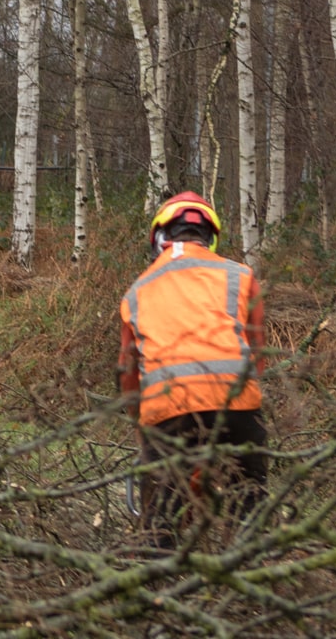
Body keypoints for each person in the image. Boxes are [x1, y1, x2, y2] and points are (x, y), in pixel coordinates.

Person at [118, 191, 268, 548]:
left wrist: (142, 425)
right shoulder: (242, 276)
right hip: (239, 405)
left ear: (159, 237)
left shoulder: (136, 292)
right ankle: (246, 574)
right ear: (211, 237)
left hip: (168, 412)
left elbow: (127, 373)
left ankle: (156, 586)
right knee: (247, 500)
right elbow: (257, 354)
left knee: (161, 519)